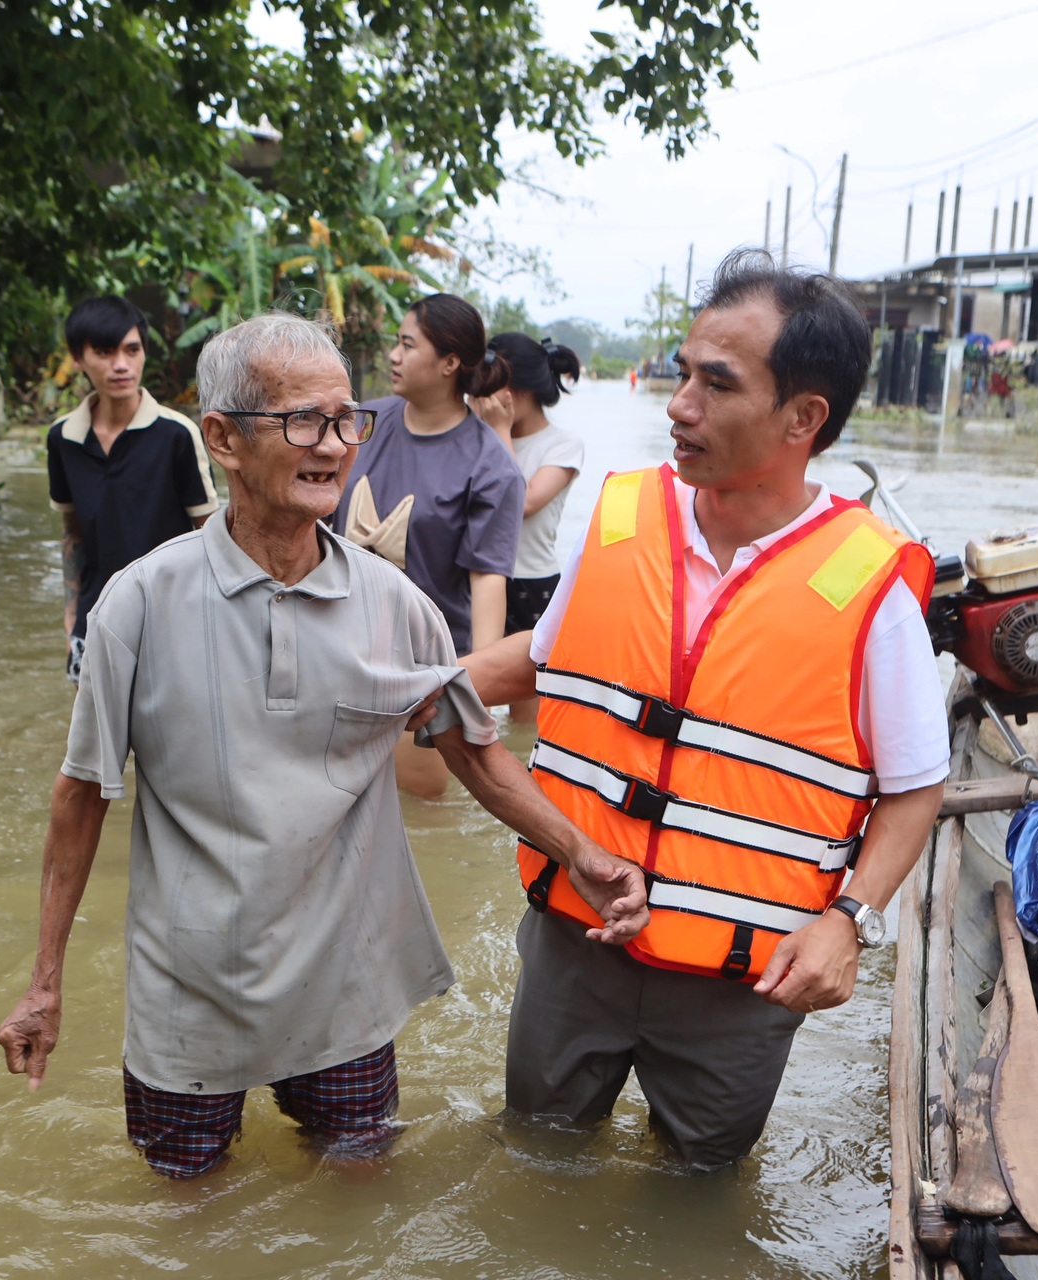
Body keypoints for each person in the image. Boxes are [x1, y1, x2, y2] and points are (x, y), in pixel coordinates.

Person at [0, 312, 647, 1181]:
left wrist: (582, 854)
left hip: (346, 988)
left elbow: (477, 756)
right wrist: (45, 981)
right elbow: (81, 795)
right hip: (188, 987)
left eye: (346, 420)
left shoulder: (396, 605)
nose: (335, 446)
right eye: (304, 421)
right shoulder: (139, 604)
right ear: (223, 439)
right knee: (185, 1211)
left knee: (359, 1197)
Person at [460, 250, 949, 1170]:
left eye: (716, 385)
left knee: (699, 1186)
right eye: (683, 374)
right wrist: (414, 682)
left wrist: (848, 920)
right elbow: (540, 659)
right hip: (577, 934)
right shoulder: (622, 519)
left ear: (803, 418)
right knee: (535, 1159)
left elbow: (917, 786)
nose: (679, 406)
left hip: (742, 980)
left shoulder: (870, 584)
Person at [332, 293, 525, 797]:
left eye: (407, 344)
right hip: (334, 647)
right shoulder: (362, 424)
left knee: (420, 811)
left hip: (422, 673)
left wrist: (474, 691)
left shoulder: (490, 466)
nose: (393, 355)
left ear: (449, 363)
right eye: (396, 343)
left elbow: (488, 583)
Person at [47, 295, 219, 683]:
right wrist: (71, 616)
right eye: (104, 352)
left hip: (170, 624)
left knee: (170, 724)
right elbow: (73, 532)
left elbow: (209, 536)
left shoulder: (177, 435)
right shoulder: (63, 438)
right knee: (93, 724)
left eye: (132, 350)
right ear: (77, 358)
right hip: (93, 622)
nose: (121, 365)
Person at [471, 332, 584, 724]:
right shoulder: (474, 434)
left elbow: (523, 503)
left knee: (526, 722)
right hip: (479, 580)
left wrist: (500, 431)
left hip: (531, 586)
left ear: (518, 390)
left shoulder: (563, 444)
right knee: (470, 704)